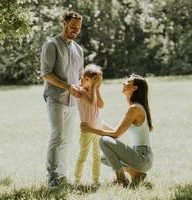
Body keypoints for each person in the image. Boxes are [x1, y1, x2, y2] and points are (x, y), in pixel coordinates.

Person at [80, 74, 154, 187]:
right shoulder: (135, 107)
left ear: (134, 88)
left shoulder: (135, 108)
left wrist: (90, 129)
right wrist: (96, 122)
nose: (124, 83)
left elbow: (115, 134)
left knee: (104, 141)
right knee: (103, 158)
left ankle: (121, 178)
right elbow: (115, 131)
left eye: (128, 82)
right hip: (141, 156)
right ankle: (136, 174)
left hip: (142, 157)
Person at [40, 11, 84, 189]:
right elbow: (46, 74)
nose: (75, 29)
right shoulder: (51, 45)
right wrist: (68, 87)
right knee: (57, 136)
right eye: (72, 25)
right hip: (56, 99)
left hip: (73, 102)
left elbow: (80, 76)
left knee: (67, 139)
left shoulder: (78, 49)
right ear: (64, 23)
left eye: (78, 27)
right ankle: (51, 178)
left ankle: (62, 176)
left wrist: (81, 87)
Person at [74, 64, 104, 185]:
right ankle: (77, 180)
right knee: (83, 156)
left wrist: (96, 88)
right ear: (86, 78)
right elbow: (91, 102)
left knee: (97, 156)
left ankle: (96, 180)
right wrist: (93, 86)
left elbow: (100, 105)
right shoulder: (80, 90)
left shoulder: (93, 91)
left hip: (97, 129)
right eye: (94, 81)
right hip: (87, 130)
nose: (96, 84)